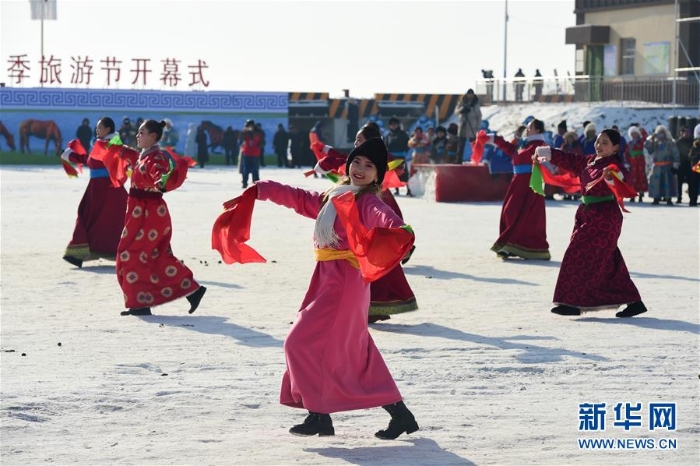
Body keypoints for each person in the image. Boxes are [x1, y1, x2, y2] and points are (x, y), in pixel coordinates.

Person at [250, 137, 419, 439]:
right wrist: (264, 189)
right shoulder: (335, 195)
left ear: (378, 176)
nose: (361, 169)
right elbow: (299, 197)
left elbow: (386, 218)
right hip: (327, 278)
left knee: (298, 343)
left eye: (369, 166)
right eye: (357, 162)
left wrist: (401, 232)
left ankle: (319, 414)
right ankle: (400, 415)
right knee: (355, 349)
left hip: (344, 283)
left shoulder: (367, 201)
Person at [533, 129, 648, 318]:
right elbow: (570, 160)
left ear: (615, 148)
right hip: (587, 215)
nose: (599, 146)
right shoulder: (589, 161)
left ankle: (573, 302)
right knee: (608, 261)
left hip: (604, 218)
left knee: (576, 254)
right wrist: (549, 153)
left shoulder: (613, 165)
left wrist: (612, 178)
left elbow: (623, 178)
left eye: (605, 143)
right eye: (598, 141)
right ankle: (634, 301)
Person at [315, 123, 418, 324]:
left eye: (360, 140)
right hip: (361, 209)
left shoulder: (378, 161)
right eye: (356, 140)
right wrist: (327, 153)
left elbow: (347, 162)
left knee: (372, 263)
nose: (356, 143)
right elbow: (346, 161)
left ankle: (371, 306)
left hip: (374, 206)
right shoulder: (360, 162)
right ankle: (369, 307)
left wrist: (327, 159)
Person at [113, 119, 206, 316]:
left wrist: (161, 181)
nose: (138, 136)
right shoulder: (144, 156)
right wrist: (116, 147)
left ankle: (143, 302)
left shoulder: (156, 159)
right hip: (139, 213)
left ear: (153, 136)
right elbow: (132, 156)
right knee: (148, 256)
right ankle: (145, 302)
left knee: (132, 254)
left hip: (150, 214)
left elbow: (159, 175)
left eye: (142, 133)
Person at [60, 117, 128, 268]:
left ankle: (78, 254)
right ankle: (79, 254)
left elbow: (92, 161)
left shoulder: (111, 145)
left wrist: (70, 155)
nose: (97, 130)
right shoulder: (105, 144)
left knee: (92, 217)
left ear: (108, 129)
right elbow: (90, 159)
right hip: (98, 188)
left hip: (106, 189)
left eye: (99, 127)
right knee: (93, 218)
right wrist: (70, 155)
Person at [485, 118, 550, 260]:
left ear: (538, 130)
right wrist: (493, 139)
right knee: (510, 212)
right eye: (527, 126)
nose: (527, 129)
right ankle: (513, 245)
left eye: (530, 127)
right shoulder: (524, 144)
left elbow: (548, 158)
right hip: (517, 183)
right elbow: (510, 150)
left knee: (520, 215)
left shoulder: (539, 145)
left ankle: (513, 245)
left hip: (530, 184)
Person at [646, 125, 679, 205]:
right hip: (656, 166)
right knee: (656, 183)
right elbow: (648, 148)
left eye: (662, 133)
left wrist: (676, 162)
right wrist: (651, 138)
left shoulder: (670, 143)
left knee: (667, 182)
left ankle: (668, 198)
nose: (660, 135)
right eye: (658, 133)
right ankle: (656, 198)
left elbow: (675, 152)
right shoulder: (654, 143)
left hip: (667, 166)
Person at [384, 118, 411, 196]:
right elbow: (385, 145)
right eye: (392, 125)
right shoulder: (387, 135)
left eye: (395, 124)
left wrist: (405, 152)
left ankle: (408, 189)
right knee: (394, 174)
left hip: (401, 157)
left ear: (398, 125)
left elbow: (408, 144)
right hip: (392, 157)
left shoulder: (403, 134)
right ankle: (397, 189)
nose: (393, 126)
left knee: (404, 173)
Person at [455, 89, 482, 161]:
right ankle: (458, 160)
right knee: (460, 145)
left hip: (472, 126)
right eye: (469, 94)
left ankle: (476, 159)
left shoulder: (476, 103)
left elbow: (479, 116)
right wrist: (462, 109)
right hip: (463, 125)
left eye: (471, 94)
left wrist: (478, 127)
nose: (470, 96)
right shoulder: (462, 101)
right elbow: (456, 111)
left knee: (474, 144)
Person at [626, 126, 648, 202]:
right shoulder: (629, 144)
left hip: (640, 163)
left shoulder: (641, 141)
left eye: (635, 133)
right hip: (633, 163)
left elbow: (645, 136)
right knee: (633, 178)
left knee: (640, 177)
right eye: (632, 134)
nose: (634, 135)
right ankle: (632, 195)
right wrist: (628, 162)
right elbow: (626, 154)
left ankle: (641, 194)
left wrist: (642, 130)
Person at [674, 126, 694, 204]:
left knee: (691, 182)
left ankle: (692, 198)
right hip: (681, 164)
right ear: (681, 133)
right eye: (685, 132)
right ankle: (679, 197)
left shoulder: (692, 142)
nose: (687, 134)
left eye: (688, 132)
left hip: (690, 164)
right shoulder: (678, 142)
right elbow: (675, 153)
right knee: (679, 182)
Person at [240, 119, 262, 188]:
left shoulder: (258, 132)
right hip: (247, 153)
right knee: (245, 169)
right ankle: (244, 182)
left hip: (255, 154)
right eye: (247, 126)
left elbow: (262, 142)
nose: (249, 127)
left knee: (255, 170)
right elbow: (240, 139)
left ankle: (256, 184)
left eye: (250, 126)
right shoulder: (245, 133)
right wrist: (244, 131)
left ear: (253, 125)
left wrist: (260, 145)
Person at [688, 123, 700, 207]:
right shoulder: (694, 147)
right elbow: (690, 157)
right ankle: (693, 200)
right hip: (696, 168)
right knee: (693, 184)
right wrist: (697, 156)